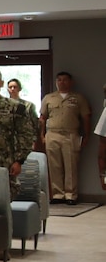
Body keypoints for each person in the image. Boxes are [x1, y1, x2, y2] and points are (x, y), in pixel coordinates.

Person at [0, 67, 37, 186]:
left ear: (1, 83)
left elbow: (26, 135)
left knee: (1, 199)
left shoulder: (15, 108)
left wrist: (19, 160)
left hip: (5, 163)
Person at [40, 72, 92, 203]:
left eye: (64, 80)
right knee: (54, 165)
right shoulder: (49, 98)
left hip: (71, 134)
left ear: (71, 82)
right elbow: (42, 118)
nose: (61, 82)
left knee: (71, 166)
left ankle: (70, 195)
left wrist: (86, 135)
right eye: (59, 80)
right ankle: (58, 194)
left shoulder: (78, 98)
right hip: (52, 134)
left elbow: (86, 117)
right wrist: (42, 135)